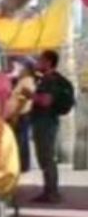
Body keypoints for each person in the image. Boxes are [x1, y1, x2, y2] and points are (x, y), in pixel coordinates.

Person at [31, 49, 76, 203]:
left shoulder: (50, 80)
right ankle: (49, 190)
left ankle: (52, 192)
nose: (38, 63)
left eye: (41, 60)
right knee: (45, 156)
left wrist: (30, 95)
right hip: (47, 121)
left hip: (45, 122)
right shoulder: (47, 79)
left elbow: (46, 101)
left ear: (48, 62)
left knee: (47, 156)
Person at [6, 58, 37, 172]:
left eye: (21, 68)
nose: (19, 70)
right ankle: (23, 165)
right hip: (20, 113)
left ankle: (21, 165)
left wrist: (15, 113)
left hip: (21, 114)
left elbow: (23, 99)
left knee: (20, 140)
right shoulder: (23, 81)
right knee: (22, 140)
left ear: (27, 70)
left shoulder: (27, 81)